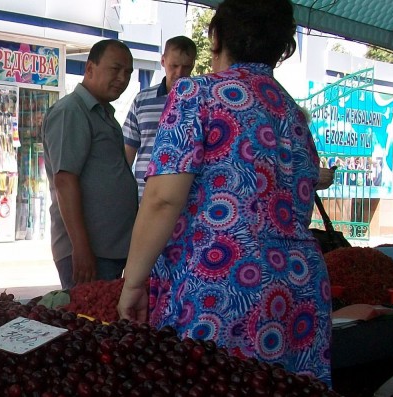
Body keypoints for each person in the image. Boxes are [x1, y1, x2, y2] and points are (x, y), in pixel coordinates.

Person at [117, 0, 332, 385]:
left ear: (216, 38)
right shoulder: (293, 114)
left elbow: (163, 198)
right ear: (281, 47)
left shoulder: (195, 95)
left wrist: (134, 282)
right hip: (301, 290)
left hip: (221, 285)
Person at [42, 39, 138, 289]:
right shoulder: (72, 111)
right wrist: (81, 247)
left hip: (109, 249)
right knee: (87, 324)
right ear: (90, 68)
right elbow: (64, 181)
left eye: (127, 72)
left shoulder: (103, 112)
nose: (122, 78)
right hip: (89, 252)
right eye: (115, 69)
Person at [123, 36, 197, 201]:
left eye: (185, 67)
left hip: (188, 200)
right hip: (144, 198)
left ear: (193, 64)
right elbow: (126, 154)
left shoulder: (203, 101)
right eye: (174, 66)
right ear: (163, 61)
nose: (179, 73)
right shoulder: (142, 100)